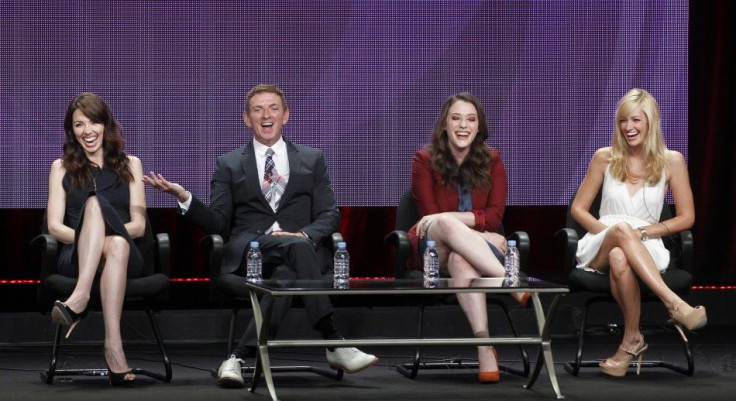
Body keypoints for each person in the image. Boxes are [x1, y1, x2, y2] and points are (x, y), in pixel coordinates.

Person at [143, 84, 378, 387]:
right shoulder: (228, 163)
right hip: (252, 253)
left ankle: (237, 358)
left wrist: (304, 233)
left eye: (273, 108)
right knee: (294, 250)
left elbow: (330, 215)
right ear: (246, 118)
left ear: (286, 116)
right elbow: (218, 222)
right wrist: (186, 197)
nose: (266, 116)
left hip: (296, 257)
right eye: (258, 109)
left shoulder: (312, 159)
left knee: (286, 272)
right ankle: (333, 341)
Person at [571, 88, 706, 377]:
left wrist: (642, 233)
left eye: (635, 120)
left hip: (646, 245)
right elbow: (579, 210)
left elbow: (687, 217)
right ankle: (674, 303)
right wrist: (610, 232)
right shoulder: (604, 157)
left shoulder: (672, 161)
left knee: (621, 256)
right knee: (619, 240)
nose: (628, 128)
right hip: (600, 244)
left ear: (650, 122)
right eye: (622, 121)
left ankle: (631, 340)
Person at [408, 92, 530, 384]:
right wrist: (478, 226)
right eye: (456, 118)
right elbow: (431, 215)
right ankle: (508, 280)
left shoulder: (493, 160)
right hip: (432, 246)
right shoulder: (424, 160)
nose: (463, 125)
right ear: (445, 125)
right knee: (446, 223)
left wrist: (479, 226)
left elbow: (495, 217)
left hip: (476, 251)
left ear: (479, 127)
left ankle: (484, 345)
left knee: (462, 259)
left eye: (471, 119)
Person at [47, 92, 146, 386]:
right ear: (71, 131)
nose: (87, 131)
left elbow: (139, 225)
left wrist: (104, 232)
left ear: (106, 124)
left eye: (94, 122)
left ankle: (79, 299)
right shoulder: (60, 168)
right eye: (79, 125)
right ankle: (113, 348)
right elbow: (54, 226)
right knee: (94, 208)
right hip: (77, 256)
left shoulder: (131, 165)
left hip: (126, 252)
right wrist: (89, 239)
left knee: (114, 238)